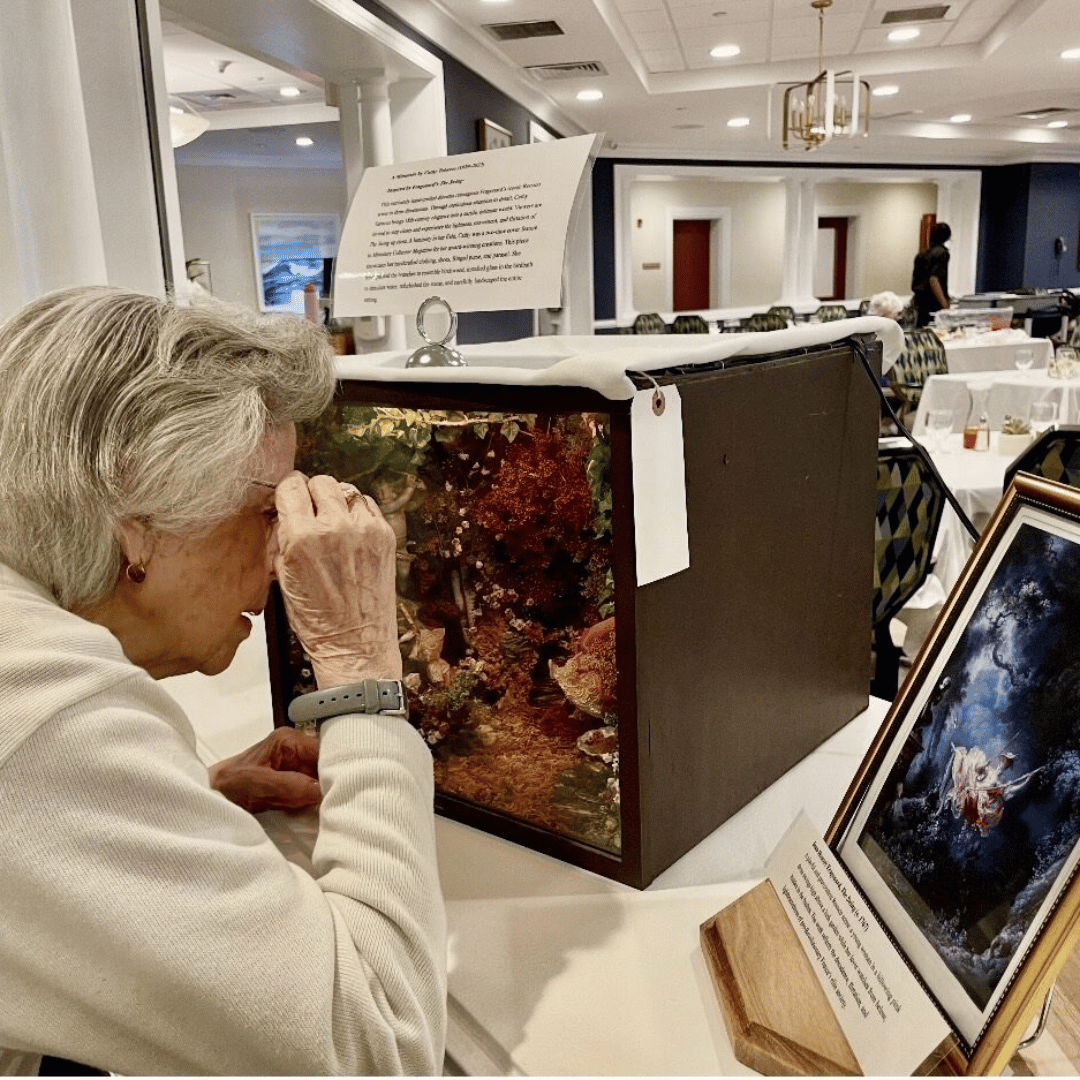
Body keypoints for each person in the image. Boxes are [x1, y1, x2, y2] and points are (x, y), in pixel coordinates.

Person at [0, 287, 446, 1075]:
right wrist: (361, 673)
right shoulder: (50, 714)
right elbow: (379, 1044)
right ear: (136, 520)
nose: (281, 558)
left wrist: (163, 813)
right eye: (269, 512)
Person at [911, 221, 952, 327]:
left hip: (919, 303)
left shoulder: (921, 254)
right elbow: (934, 280)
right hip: (933, 303)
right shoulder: (942, 253)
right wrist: (944, 304)